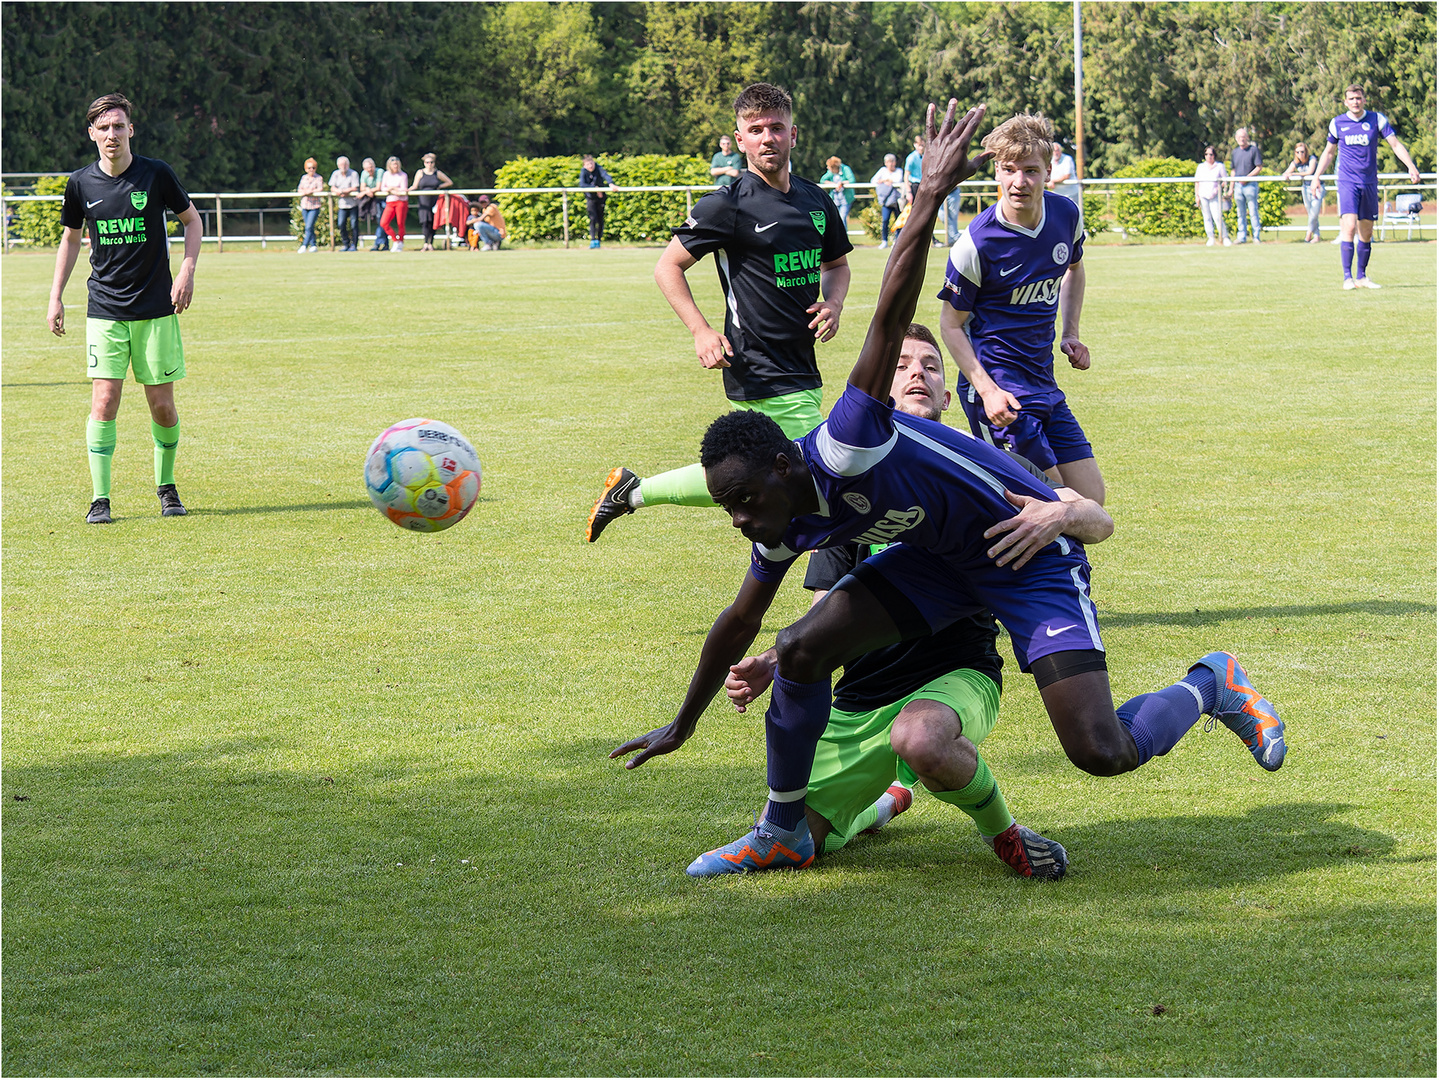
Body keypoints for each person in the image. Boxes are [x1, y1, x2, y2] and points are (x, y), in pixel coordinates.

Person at [610, 99, 1288, 877]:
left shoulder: (843, 444)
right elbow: (739, 622)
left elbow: (891, 309)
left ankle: (1212, 682)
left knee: (1101, 752)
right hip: (937, 561)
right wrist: (681, 723)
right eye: (729, 506)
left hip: (1021, 546)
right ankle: (780, 829)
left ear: (785, 470)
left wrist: (926, 198)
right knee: (795, 649)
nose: (737, 521)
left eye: (745, 503)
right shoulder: (777, 517)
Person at [722, 322, 1113, 879]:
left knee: (923, 738)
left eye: (931, 366)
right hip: (861, 696)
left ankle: (1004, 834)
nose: (917, 375)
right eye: (902, 365)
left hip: (957, 675)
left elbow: (1100, 519)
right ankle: (887, 801)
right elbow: (823, 608)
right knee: (805, 845)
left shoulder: (991, 471)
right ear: (879, 396)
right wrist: (772, 660)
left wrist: (1063, 512)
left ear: (948, 394)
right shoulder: (839, 490)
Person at [585, 82, 852, 540]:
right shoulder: (726, 205)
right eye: (756, 129)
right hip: (755, 362)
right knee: (824, 474)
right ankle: (868, 572)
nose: (767, 137)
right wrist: (700, 331)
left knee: (755, 478)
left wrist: (834, 303)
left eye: (776, 127)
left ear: (794, 134)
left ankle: (632, 492)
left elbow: (838, 265)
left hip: (803, 363)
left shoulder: (816, 200)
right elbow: (668, 267)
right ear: (740, 138)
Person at [48, 92, 202, 524]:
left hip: (156, 308)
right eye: (104, 127)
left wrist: (186, 270)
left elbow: (192, 220)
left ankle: (167, 488)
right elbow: (71, 239)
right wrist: (56, 295)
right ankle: (101, 498)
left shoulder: (155, 174)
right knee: (104, 402)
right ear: (92, 133)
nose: (112, 134)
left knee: (162, 407)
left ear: (130, 129)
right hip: (105, 309)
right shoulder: (80, 183)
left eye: (119, 126)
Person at [938, 112, 1104, 505]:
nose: (1019, 181)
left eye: (1030, 170)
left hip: (1043, 383)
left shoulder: (1066, 216)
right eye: (1009, 169)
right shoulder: (976, 243)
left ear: (1049, 171)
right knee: (1051, 504)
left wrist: (1071, 333)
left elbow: (1074, 270)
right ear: (996, 172)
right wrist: (987, 390)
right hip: (1000, 393)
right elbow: (950, 325)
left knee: (1091, 500)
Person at [1310, 84, 1423, 289]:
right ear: (1345, 102)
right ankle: (1347, 278)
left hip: (1369, 182)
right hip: (1346, 181)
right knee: (1350, 226)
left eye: (1359, 98)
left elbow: (1395, 144)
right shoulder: (1338, 123)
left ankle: (1361, 276)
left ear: (1364, 100)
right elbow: (1328, 152)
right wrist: (1316, 176)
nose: (1355, 102)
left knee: (1367, 232)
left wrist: (1411, 166)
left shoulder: (1376, 119)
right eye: (1351, 99)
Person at [1281, 142, 1323, 243]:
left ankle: (1308, 234)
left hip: (1317, 187)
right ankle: (1316, 236)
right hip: (1305, 188)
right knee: (1311, 213)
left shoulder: (1312, 159)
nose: (1300, 154)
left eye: (1302, 151)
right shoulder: (1295, 162)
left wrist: (1293, 174)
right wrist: (1287, 174)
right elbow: (1287, 172)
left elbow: (1309, 172)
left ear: (1306, 152)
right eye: (1298, 152)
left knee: (1314, 213)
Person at [410, 152, 452, 252]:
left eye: (431, 162)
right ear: (424, 163)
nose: (429, 164)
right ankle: (425, 243)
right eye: (427, 162)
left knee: (433, 222)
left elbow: (449, 182)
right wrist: (407, 191)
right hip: (423, 200)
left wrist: (439, 187)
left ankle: (431, 244)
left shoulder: (437, 173)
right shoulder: (420, 172)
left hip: (435, 200)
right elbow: (414, 186)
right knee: (425, 222)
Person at [1226, 128, 1263, 243]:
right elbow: (1233, 170)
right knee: (1240, 213)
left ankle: (1256, 237)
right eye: (1239, 137)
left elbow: (1259, 167)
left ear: (1247, 137)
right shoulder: (1235, 152)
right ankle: (1241, 237)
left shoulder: (1253, 150)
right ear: (1236, 139)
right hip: (1238, 186)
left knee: (1253, 211)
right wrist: (1231, 188)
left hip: (1250, 185)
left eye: (1243, 137)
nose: (1241, 139)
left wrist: (1247, 178)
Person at [1194, 146, 1231, 246]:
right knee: (1207, 217)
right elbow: (1197, 182)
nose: (1208, 156)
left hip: (1215, 195)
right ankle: (1210, 237)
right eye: (1206, 154)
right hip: (1203, 195)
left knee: (1217, 216)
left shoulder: (1219, 166)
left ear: (1214, 155)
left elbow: (1225, 180)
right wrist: (1197, 196)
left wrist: (1219, 188)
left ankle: (1224, 237)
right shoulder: (1200, 167)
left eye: (1211, 154)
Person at [578, 154, 617, 249]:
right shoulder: (583, 172)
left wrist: (611, 184)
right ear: (584, 165)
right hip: (591, 197)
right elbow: (582, 184)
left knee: (600, 219)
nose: (591, 166)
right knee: (592, 218)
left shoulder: (599, 168)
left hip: (601, 197)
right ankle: (592, 240)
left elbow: (606, 175)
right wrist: (595, 188)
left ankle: (598, 240)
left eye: (592, 163)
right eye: (588, 164)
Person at [870, 153, 904, 249]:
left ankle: (898, 240)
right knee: (885, 221)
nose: (891, 164)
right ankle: (884, 240)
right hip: (886, 201)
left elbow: (897, 180)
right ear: (885, 163)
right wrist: (885, 180)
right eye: (888, 162)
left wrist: (886, 180)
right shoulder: (882, 171)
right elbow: (873, 180)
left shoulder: (899, 171)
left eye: (892, 162)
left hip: (897, 201)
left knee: (899, 221)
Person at [329, 155, 361, 251]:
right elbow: (332, 187)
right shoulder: (335, 174)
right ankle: (346, 244)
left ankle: (354, 245)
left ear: (348, 164)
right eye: (341, 164)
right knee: (341, 224)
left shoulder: (354, 174)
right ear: (338, 165)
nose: (343, 166)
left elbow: (355, 187)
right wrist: (338, 191)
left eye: (345, 164)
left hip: (353, 204)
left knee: (354, 224)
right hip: (342, 204)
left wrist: (344, 191)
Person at [378, 156, 409, 252]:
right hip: (390, 201)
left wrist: (392, 189)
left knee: (400, 223)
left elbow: (403, 189)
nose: (395, 166)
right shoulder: (386, 174)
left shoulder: (403, 175)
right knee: (384, 223)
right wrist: (392, 188)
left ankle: (401, 242)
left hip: (401, 201)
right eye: (393, 164)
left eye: (396, 164)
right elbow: (383, 187)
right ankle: (395, 240)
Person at [358, 157, 387, 250]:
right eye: (367, 168)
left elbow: (378, 187)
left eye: (371, 167)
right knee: (381, 222)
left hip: (382, 199)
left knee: (382, 222)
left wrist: (367, 190)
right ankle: (385, 244)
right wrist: (367, 190)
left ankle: (377, 243)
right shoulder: (364, 174)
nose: (369, 170)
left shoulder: (380, 172)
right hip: (373, 200)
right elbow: (362, 187)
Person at [296, 157, 324, 253]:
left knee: (309, 226)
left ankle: (304, 245)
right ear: (306, 169)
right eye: (309, 168)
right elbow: (300, 189)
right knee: (309, 227)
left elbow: (320, 189)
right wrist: (305, 192)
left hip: (314, 206)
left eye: (313, 168)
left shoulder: (319, 178)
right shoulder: (304, 178)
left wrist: (310, 191)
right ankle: (313, 245)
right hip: (305, 205)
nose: (311, 170)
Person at [820, 155, 856, 229]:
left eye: (829, 167)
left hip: (845, 199)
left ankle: (842, 238)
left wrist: (842, 183)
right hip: (835, 199)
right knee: (834, 219)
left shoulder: (845, 169)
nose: (827, 169)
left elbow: (852, 180)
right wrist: (834, 184)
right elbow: (823, 180)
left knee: (842, 218)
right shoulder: (830, 173)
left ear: (834, 167)